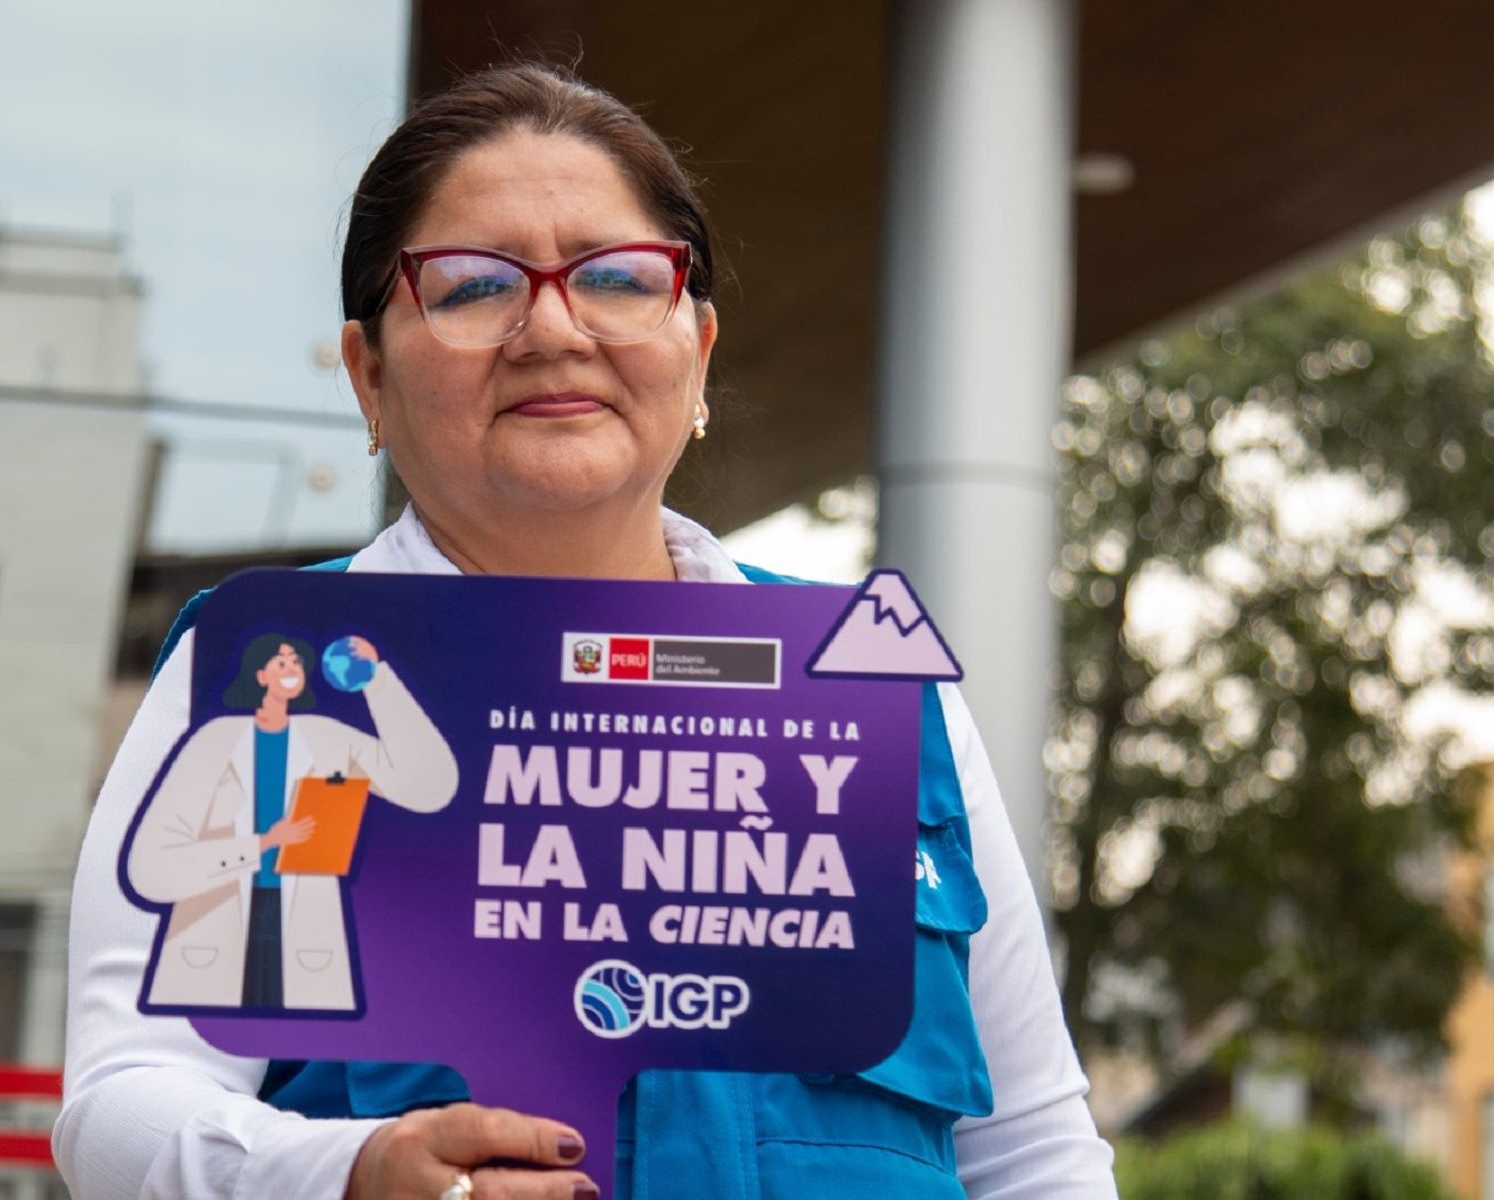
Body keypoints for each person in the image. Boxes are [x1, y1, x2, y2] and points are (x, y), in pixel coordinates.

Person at [55, 61, 1119, 1200]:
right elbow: (125, 1099)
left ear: (697, 349)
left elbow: (1035, 1156)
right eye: (471, 287)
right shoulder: (275, 678)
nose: (553, 328)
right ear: (367, 375)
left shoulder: (869, 687)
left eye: (617, 278)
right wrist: (347, 1173)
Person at [125, 632, 456, 1012]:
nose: (292, 668)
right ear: (260, 675)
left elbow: (429, 785)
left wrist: (378, 682)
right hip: (212, 945)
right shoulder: (213, 741)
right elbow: (149, 869)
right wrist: (262, 843)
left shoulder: (327, 737)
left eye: (296, 662)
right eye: (281, 661)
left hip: (305, 945)